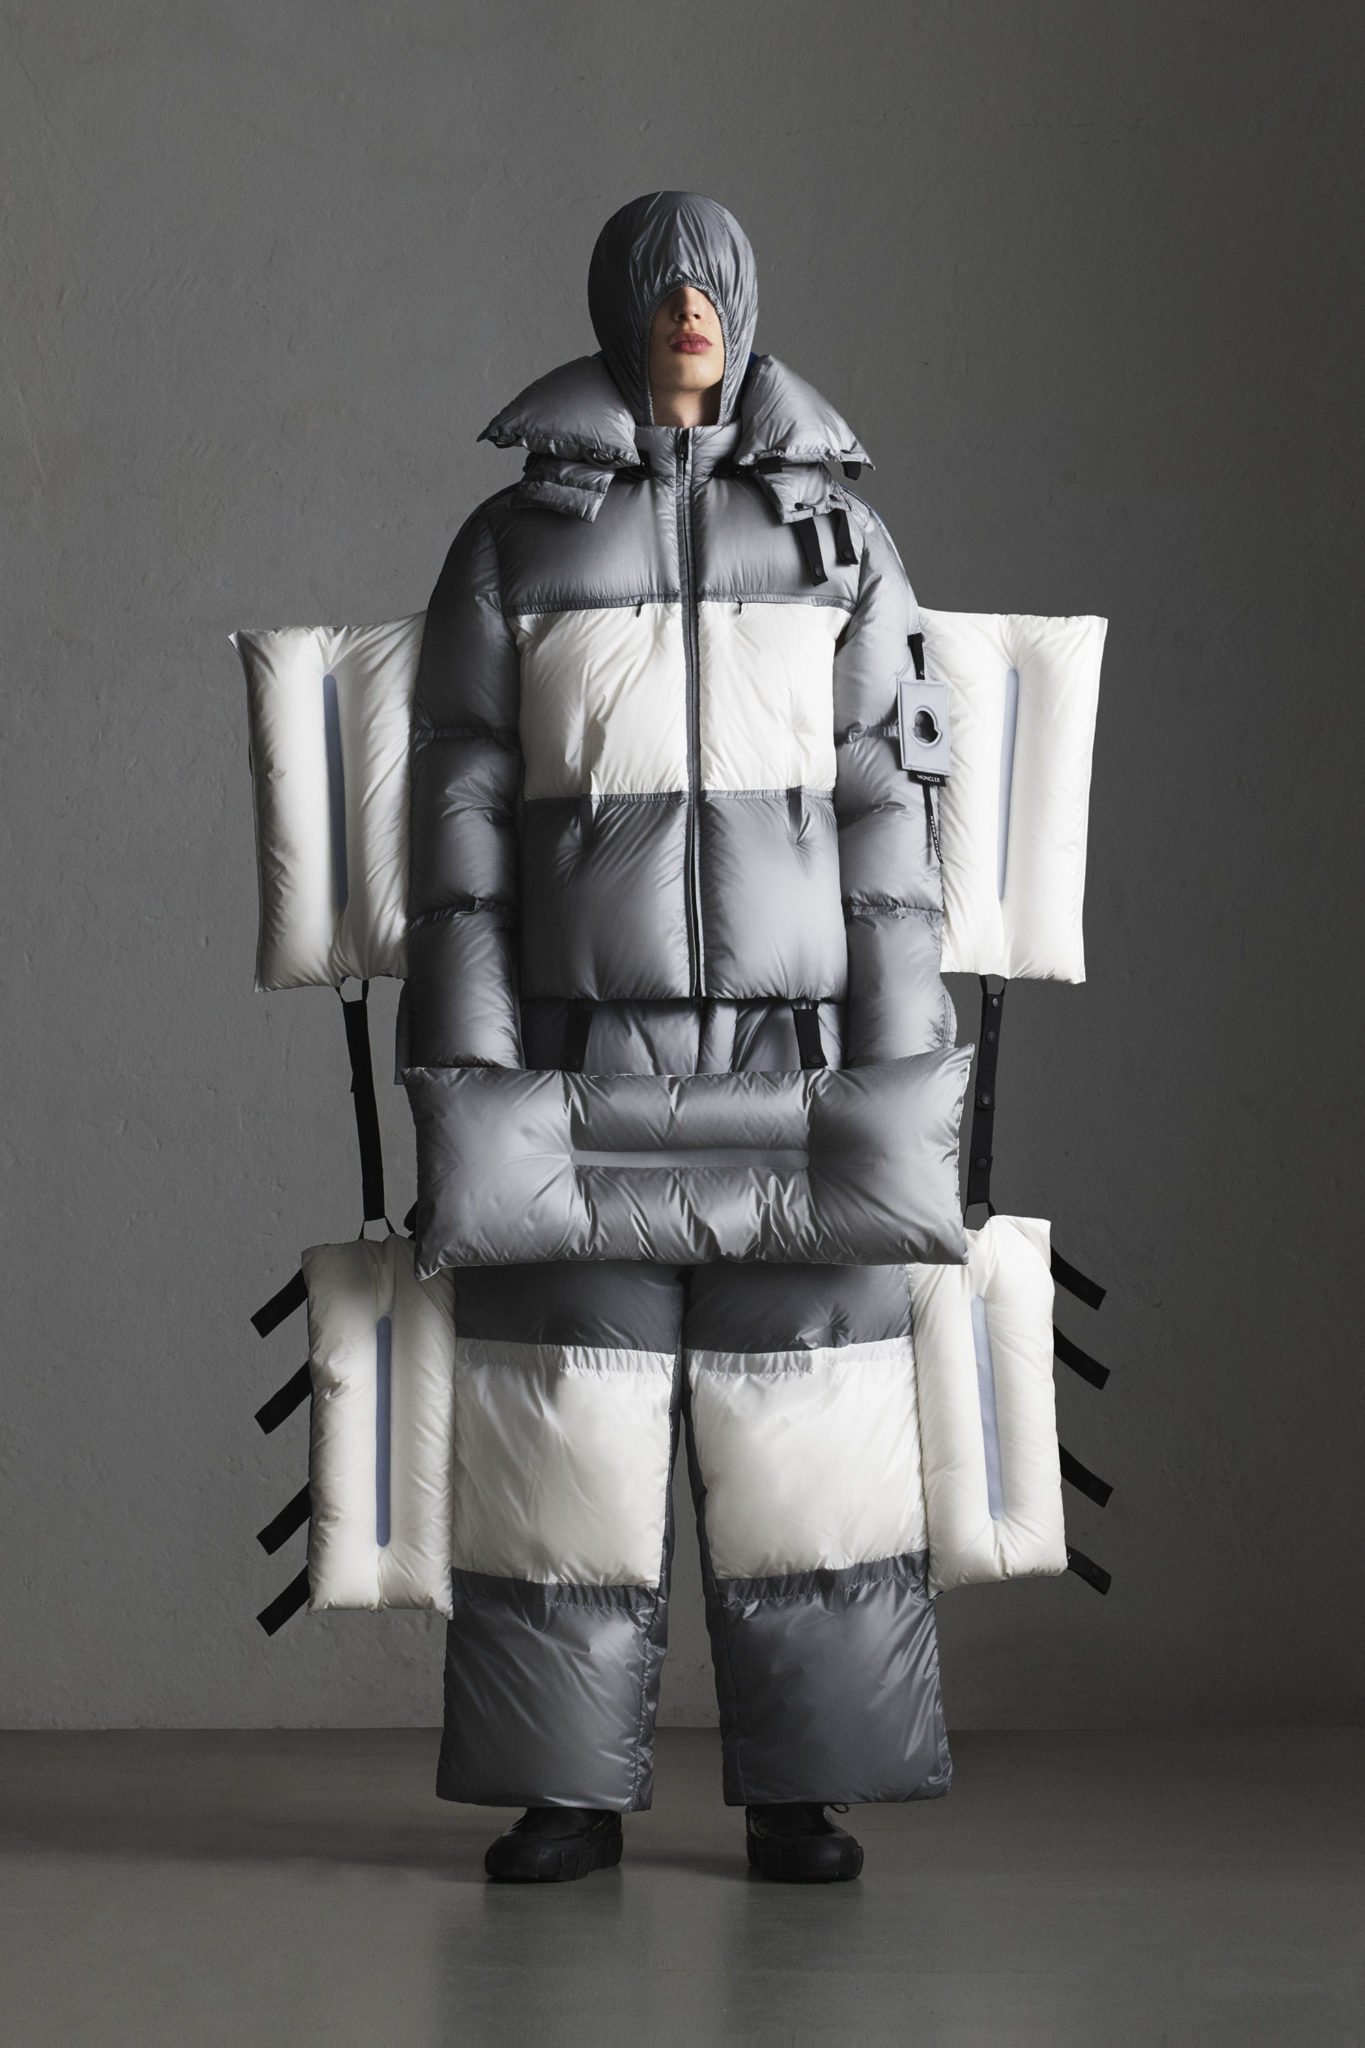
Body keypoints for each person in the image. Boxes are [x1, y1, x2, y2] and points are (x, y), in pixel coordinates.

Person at [405, 190, 956, 1884]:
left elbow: (889, 830)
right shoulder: (512, 545)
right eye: (661, 285)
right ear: (614, 310)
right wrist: (473, 1073)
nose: (689, 307)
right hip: (579, 1055)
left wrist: (902, 1069)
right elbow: (459, 837)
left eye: (712, 283)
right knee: (564, 1423)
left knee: (811, 1423)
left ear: (746, 306)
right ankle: (562, 1794)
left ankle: (806, 1788)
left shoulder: (838, 541)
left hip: (794, 1055)